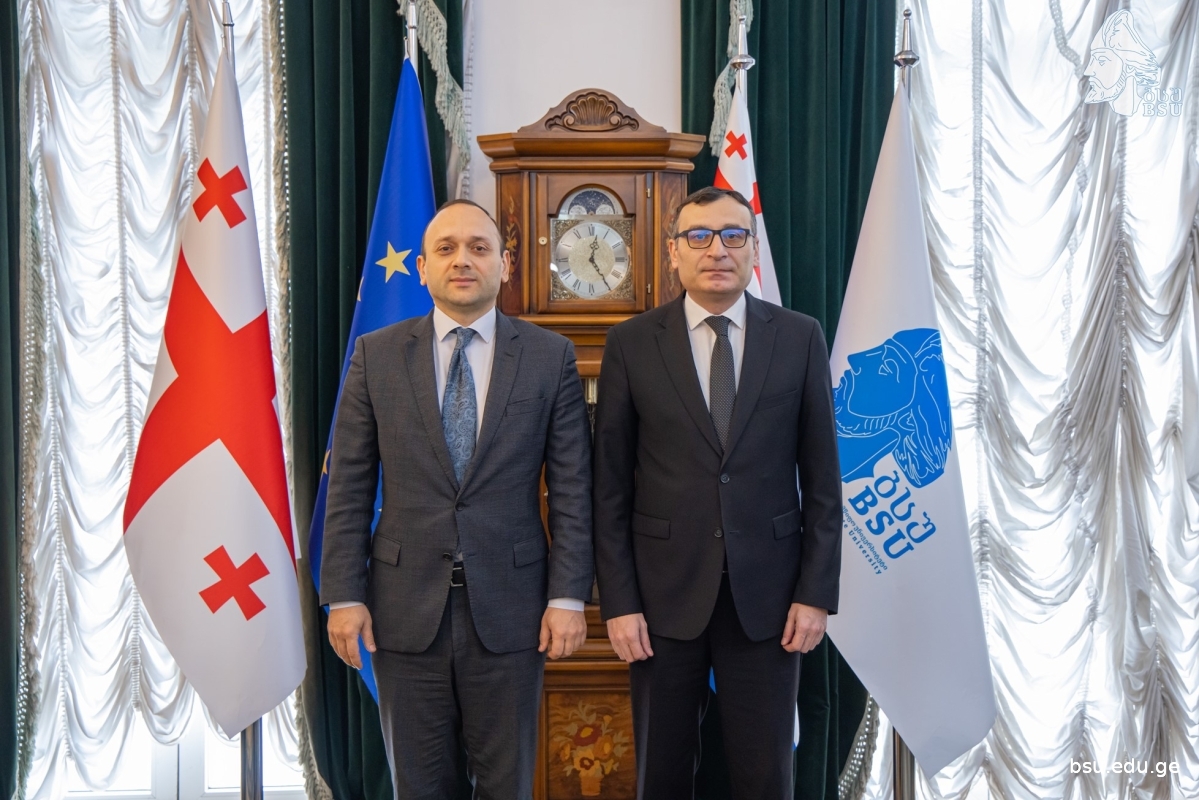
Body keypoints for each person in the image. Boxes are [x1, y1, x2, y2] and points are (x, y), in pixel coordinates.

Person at [319, 199, 594, 799]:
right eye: (446, 249)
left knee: (506, 785)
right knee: (419, 786)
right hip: (402, 612)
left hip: (515, 612)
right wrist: (344, 594)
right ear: (422, 268)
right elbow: (350, 485)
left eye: (478, 247)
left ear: (506, 265)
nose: (462, 260)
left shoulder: (550, 357)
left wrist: (568, 596)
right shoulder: (376, 355)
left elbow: (573, 488)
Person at [592, 186, 842, 799]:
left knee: (765, 778)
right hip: (660, 602)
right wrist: (618, 603)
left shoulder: (799, 337)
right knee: (662, 776)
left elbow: (823, 483)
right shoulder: (631, 343)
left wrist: (815, 595)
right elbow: (609, 489)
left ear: (753, 249)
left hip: (770, 603)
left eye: (733, 236)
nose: (717, 251)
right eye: (699, 237)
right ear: (673, 252)